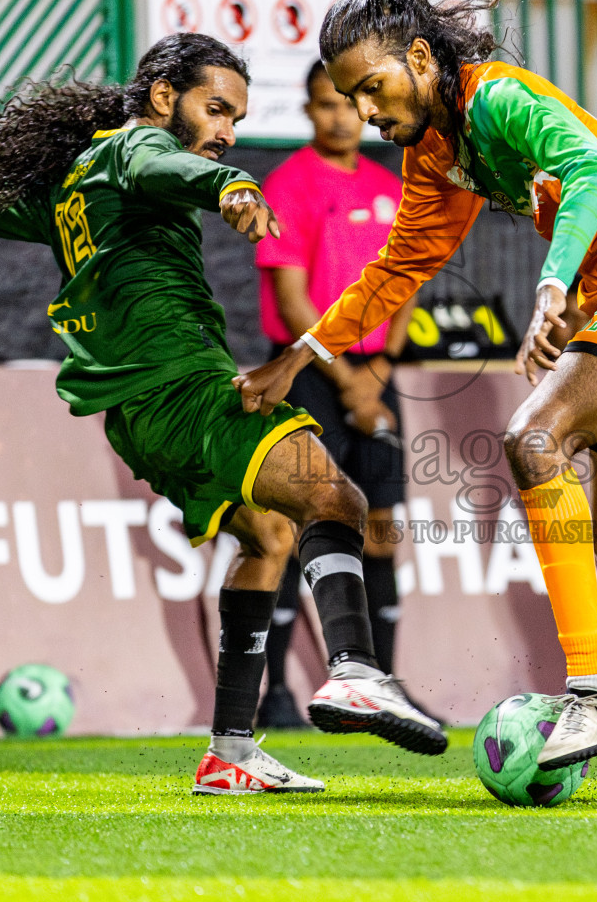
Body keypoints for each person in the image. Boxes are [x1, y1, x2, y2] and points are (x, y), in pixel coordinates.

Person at [235, 0, 597, 799]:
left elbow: (590, 170)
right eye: (351, 99)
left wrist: (550, 287)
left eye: (372, 88)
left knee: (534, 437)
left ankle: (592, 698)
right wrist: (303, 352)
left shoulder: (497, 99)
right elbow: (397, 270)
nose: (364, 113)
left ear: (420, 58)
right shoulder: (433, 153)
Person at [0, 33, 445, 795]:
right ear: (164, 97)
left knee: (267, 534)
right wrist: (230, 189)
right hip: (183, 390)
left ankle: (231, 750)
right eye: (216, 110)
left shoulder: (71, 184)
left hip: (136, 417)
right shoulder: (133, 151)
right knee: (337, 499)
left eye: (236, 118)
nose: (227, 131)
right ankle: (356, 669)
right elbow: (165, 163)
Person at [254, 60, 420, 728]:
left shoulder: (391, 188)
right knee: (296, 528)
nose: (340, 117)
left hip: (376, 375)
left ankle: (384, 689)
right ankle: (275, 696)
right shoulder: (287, 185)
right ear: (307, 110)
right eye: (325, 105)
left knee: (381, 531)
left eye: (349, 104)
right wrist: (350, 381)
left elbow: (404, 287)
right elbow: (294, 300)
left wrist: (375, 375)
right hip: (309, 375)